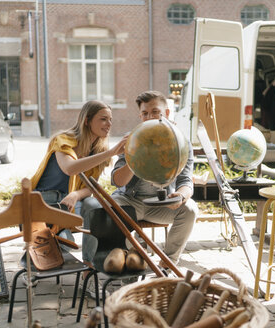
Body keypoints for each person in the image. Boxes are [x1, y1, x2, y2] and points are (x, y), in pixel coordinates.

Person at [81, 90, 198, 268]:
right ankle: (128, 260)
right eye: (145, 113)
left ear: (166, 113)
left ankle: (168, 263)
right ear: (140, 116)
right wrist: (135, 156)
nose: (150, 117)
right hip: (130, 200)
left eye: (155, 112)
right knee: (110, 211)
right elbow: (118, 181)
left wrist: (180, 196)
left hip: (161, 203)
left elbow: (186, 182)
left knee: (190, 209)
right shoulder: (132, 138)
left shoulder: (180, 141)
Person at [30, 100, 127, 247]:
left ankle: (90, 265)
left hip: (71, 204)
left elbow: (91, 187)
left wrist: (75, 195)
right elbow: (70, 168)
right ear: (87, 120)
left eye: (110, 120)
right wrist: (111, 153)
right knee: (65, 244)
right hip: (45, 202)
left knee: (96, 207)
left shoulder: (99, 151)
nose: (109, 124)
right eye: (103, 119)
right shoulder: (63, 140)